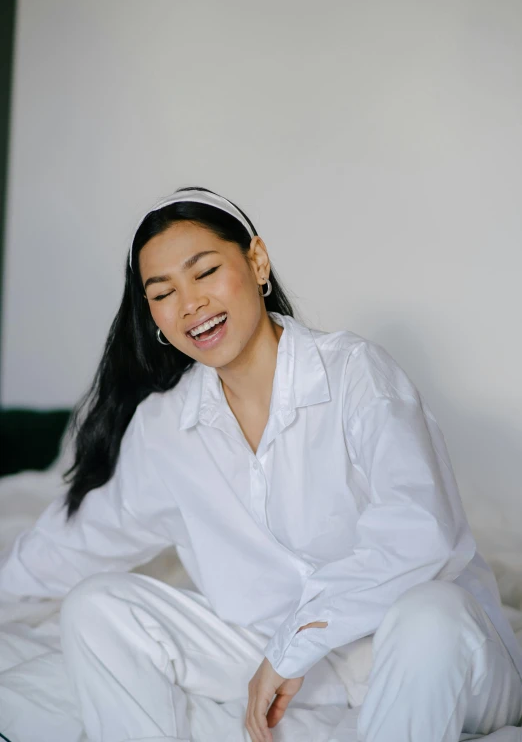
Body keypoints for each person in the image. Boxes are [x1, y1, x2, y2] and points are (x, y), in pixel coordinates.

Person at [0, 186, 521, 742]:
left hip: (432, 660)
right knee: (97, 605)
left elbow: (420, 531)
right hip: (279, 663)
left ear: (257, 261)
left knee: (431, 613)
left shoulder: (355, 373)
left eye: (204, 272)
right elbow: (73, 545)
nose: (190, 303)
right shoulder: (164, 426)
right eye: (163, 292)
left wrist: (296, 643)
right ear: (152, 315)